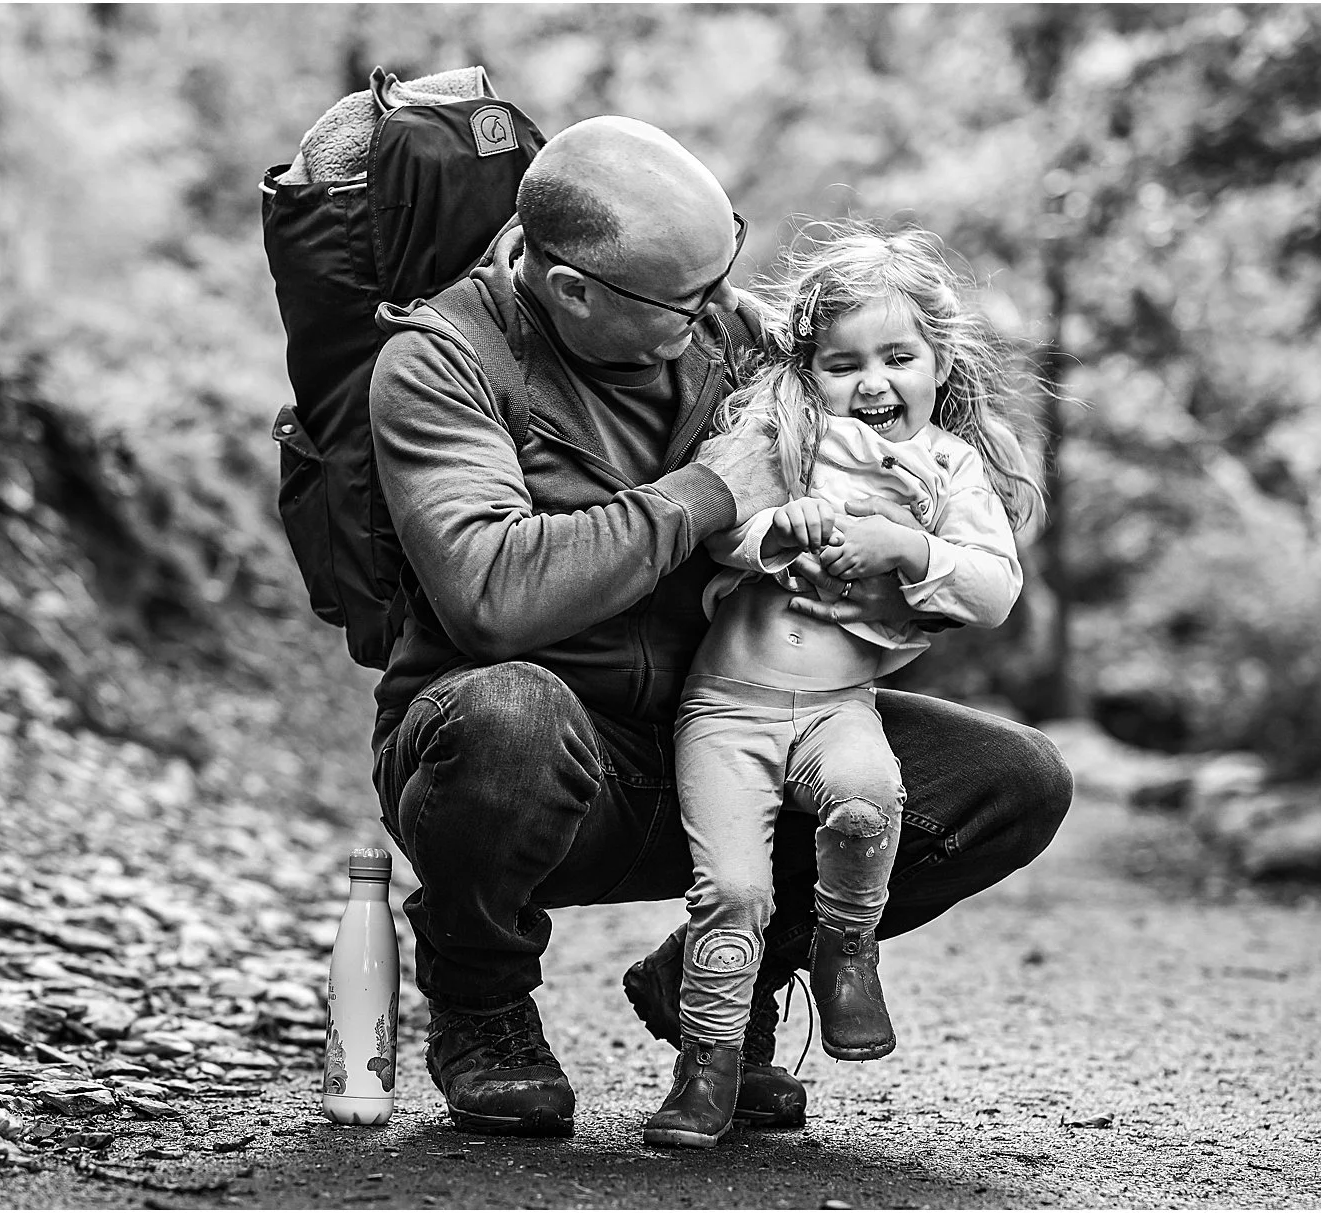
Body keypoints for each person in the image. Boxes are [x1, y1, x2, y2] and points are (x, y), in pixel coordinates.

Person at [368, 115, 1072, 1138]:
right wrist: (703, 492)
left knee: (1012, 780)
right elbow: (490, 595)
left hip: (735, 726)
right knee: (507, 715)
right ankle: (481, 1003)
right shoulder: (443, 360)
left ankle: (720, 980)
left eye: (724, 271)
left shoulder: (729, 337)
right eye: (688, 297)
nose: (725, 309)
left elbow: (888, 428)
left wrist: (905, 553)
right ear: (572, 291)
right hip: (542, 767)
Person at [641, 223, 1046, 1148]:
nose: (873, 382)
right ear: (808, 368)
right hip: (728, 707)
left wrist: (905, 548)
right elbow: (719, 526)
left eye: (898, 357)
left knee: (868, 803)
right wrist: (775, 532)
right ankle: (708, 1065)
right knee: (733, 891)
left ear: (940, 361)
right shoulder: (781, 429)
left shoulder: (949, 468)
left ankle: (844, 949)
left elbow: (993, 588)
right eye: (843, 362)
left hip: (837, 709)